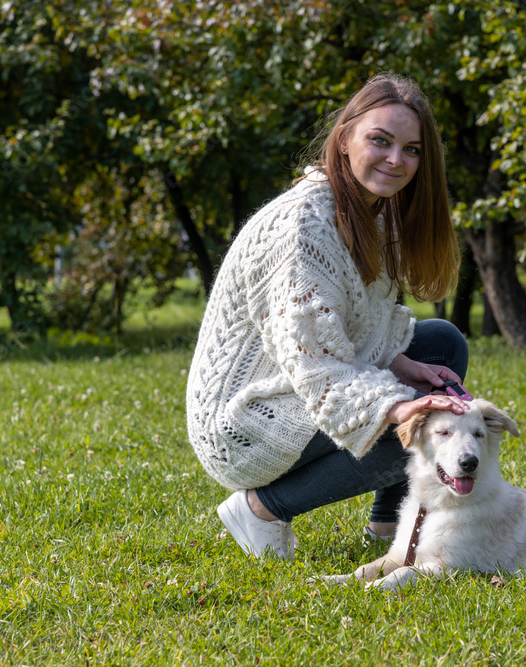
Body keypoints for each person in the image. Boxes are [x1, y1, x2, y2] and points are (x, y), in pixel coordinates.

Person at [185, 74, 469, 559]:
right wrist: (399, 406)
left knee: (441, 343)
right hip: (244, 423)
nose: (396, 159)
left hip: (293, 384)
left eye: (412, 149)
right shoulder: (304, 226)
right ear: (344, 139)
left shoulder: (372, 213)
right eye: (380, 140)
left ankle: (388, 525)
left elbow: (352, 328)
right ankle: (260, 508)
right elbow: (318, 368)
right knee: (418, 423)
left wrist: (403, 366)